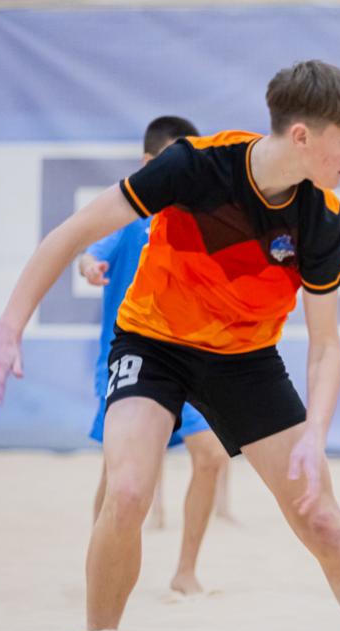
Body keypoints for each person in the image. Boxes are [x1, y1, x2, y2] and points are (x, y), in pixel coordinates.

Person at [0, 60, 340, 631]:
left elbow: (325, 348)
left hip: (246, 361)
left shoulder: (321, 215)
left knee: (322, 519)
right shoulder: (194, 166)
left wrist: (316, 433)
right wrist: (7, 329)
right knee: (129, 491)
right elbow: (71, 234)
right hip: (153, 344)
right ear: (302, 136)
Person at [78, 114, 232, 596]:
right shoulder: (127, 213)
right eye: (175, 162)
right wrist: (89, 265)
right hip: (127, 361)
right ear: (148, 164)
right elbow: (88, 251)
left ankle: (186, 573)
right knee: (117, 475)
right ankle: (98, 567)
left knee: (212, 456)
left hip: (187, 360)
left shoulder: (200, 216)